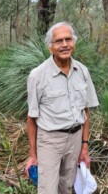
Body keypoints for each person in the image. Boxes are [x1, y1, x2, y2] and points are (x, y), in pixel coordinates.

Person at [25, 21, 99, 194]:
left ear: (74, 43)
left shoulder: (82, 71)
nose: (65, 44)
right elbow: (31, 118)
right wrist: (33, 155)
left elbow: (85, 112)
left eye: (68, 39)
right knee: (47, 190)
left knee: (67, 186)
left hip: (75, 139)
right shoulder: (37, 75)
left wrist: (84, 147)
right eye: (59, 41)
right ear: (50, 47)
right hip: (50, 141)